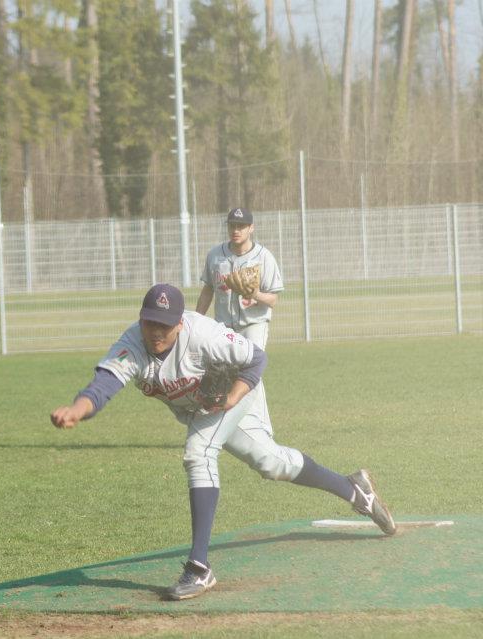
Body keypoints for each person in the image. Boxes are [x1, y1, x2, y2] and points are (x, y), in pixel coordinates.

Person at [49, 283, 396, 601]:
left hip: (237, 389)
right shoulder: (132, 345)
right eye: (150, 322)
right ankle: (355, 490)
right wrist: (77, 410)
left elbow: (256, 359)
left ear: (180, 323)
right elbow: (103, 386)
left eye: (164, 325)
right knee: (272, 463)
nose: (155, 331)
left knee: (199, 452)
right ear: (141, 319)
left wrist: (232, 397)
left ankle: (199, 567)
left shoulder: (204, 335)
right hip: (205, 406)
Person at [196, 207, 282, 350]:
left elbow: (273, 300)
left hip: (254, 324)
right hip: (224, 327)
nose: (235, 230)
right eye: (232, 226)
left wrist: (255, 294)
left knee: (250, 363)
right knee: (222, 365)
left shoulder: (264, 257)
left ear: (251, 228)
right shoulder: (215, 255)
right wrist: (197, 319)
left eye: (241, 226)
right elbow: (207, 291)